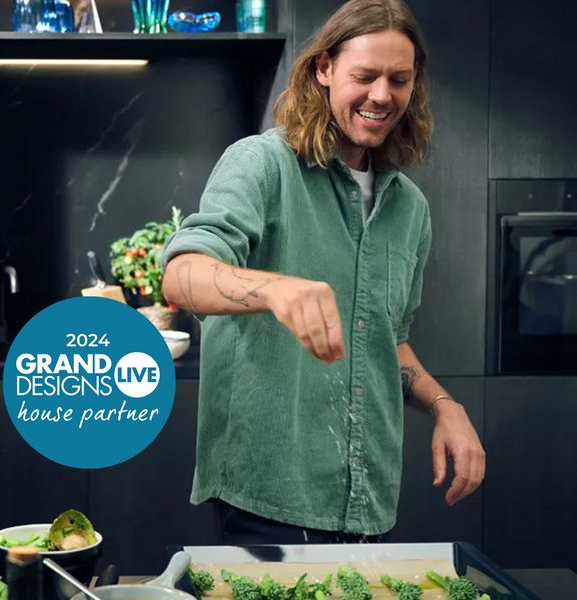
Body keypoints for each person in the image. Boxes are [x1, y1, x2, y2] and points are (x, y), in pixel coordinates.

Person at [161, 0, 485, 544]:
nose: (383, 95)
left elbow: (386, 341)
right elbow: (183, 273)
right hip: (267, 495)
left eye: (399, 79)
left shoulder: (410, 209)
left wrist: (444, 406)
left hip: (369, 499)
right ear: (324, 70)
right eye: (365, 76)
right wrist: (274, 288)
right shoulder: (261, 164)